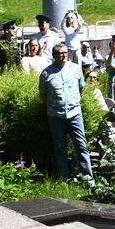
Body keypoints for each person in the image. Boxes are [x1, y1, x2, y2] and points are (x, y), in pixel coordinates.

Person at [39, 43, 94, 186]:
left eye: (65, 53)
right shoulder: (46, 73)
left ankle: (89, 180)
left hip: (75, 113)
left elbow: (81, 89)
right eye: (60, 53)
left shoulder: (76, 69)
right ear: (54, 56)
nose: (63, 56)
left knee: (81, 146)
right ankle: (65, 178)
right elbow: (43, 96)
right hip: (55, 115)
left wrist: (73, 102)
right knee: (59, 147)